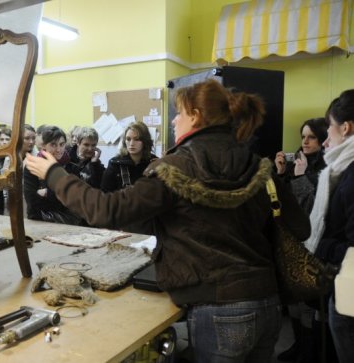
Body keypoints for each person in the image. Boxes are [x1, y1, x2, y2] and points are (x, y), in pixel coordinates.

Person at [26, 79, 311, 363]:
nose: (174, 120)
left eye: (179, 113)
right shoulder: (259, 166)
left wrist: (54, 174)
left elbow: (106, 210)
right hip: (268, 303)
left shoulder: (175, 169)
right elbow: (300, 227)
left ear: (196, 116)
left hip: (217, 309)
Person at [274, 117, 330, 363]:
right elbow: (283, 201)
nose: (305, 142)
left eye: (311, 137)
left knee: (308, 303)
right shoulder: (299, 159)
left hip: (313, 242)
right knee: (295, 301)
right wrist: (282, 173)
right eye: (303, 136)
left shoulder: (327, 166)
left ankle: (309, 352)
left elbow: (308, 208)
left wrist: (300, 176)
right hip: (293, 242)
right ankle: (298, 345)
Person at [304, 89, 354, 363]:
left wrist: (320, 243)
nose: (325, 141)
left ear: (345, 128)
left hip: (350, 293)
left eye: (329, 130)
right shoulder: (344, 170)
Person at [23, 125, 80, 225]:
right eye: (53, 145)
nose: (58, 149)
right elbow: (32, 202)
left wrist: (47, 193)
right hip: (38, 221)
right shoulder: (32, 167)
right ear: (44, 146)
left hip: (68, 223)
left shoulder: (72, 168)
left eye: (62, 144)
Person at [101, 121, 158, 192]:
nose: (131, 143)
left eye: (136, 139)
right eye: (128, 139)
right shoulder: (115, 164)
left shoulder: (154, 163)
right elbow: (106, 195)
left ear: (145, 141)